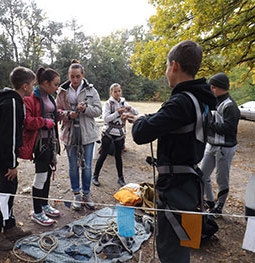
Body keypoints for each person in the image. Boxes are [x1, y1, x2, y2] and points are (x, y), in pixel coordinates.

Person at [128, 40, 217, 262]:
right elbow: (167, 121)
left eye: (167, 67)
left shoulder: (181, 102)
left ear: (174, 66)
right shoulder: (200, 99)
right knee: (181, 243)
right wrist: (147, 119)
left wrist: (140, 121)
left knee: (171, 248)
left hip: (175, 188)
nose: (167, 72)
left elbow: (140, 134)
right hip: (187, 185)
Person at [0, 66, 34, 251]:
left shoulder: (16, 101)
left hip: (3, 153)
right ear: (25, 86)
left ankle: (9, 226)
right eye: (33, 84)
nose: (33, 87)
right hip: (1, 155)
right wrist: (12, 164)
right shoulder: (12, 104)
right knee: (5, 189)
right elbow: (9, 138)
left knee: (10, 188)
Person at [56, 60, 102, 211]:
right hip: (69, 134)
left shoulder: (91, 90)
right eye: (72, 76)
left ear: (83, 75)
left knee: (87, 166)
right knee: (73, 167)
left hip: (87, 134)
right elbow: (57, 112)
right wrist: (70, 114)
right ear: (68, 76)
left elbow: (98, 110)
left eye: (77, 76)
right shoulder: (62, 91)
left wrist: (86, 108)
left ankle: (86, 195)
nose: (75, 80)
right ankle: (76, 194)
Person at [19, 67, 61, 226]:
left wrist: (60, 115)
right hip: (40, 144)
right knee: (41, 175)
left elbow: (52, 114)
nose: (57, 87)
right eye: (55, 84)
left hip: (50, 142)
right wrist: (44, 122)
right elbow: (27, 121)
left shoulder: (49, 97)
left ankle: (44, 204)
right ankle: (37, 212)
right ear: (45, 83)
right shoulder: (30, 98)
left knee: (48, 173)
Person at [200, 73, 240, 217]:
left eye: (213, 87)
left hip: (225, 147)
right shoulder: (214, 101)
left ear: (219, 88)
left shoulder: (230, 106)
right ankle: (210, 202)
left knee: (222, 179)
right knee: (202, 175)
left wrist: (209, 125)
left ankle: (219, 207)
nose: (210, 89)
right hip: (211, 145)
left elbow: (230, 128)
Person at [92, 83, 138, 187]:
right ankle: (95, 176)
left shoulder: (123, 102)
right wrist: (118, 113)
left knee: (118, 156)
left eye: (119, 91)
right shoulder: (108, 104)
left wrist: (130, 108)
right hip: (108, 132)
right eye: (115, 91)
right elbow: (106, 118)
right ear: (111, 92)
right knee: (103, 154)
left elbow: (136, 113)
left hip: (119, 133)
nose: (117, 93)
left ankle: (120, 178)